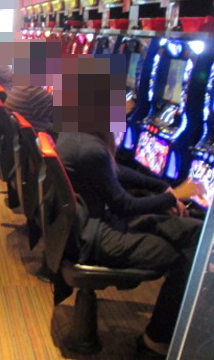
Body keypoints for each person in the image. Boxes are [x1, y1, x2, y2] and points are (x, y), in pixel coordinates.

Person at [56, 131, 205, 359]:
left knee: (191, 231)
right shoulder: (91, 148)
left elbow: (114, 171)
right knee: (185, 256)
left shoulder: (73, 134)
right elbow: (124, 206)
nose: (122, 116)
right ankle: (155, 339)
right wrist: (174, 195)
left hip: (88, 226)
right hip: (95, 236)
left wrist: (161, 187)